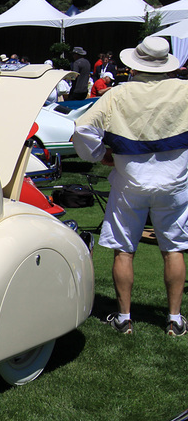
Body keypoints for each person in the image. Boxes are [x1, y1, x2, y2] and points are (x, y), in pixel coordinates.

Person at [72, 36, 188, 336]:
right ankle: (174, 319)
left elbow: (82, 130)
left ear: (137, 63)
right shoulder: (185, 90)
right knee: (173, 249)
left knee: (124, 250)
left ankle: (124, 317)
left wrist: (100, 154)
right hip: (175, 182)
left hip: (129, 182)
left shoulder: (118, 95)